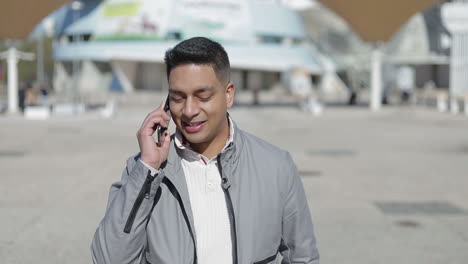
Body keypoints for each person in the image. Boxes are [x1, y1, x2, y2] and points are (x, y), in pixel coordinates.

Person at [91, 37, 319, 264]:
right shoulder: (142, 172)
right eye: (178, 98)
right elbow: (108, 259)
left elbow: (302, 257)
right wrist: (148, 170)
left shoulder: (276, 166)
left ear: (228, 94)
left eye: (203, 96)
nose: (189, 110)